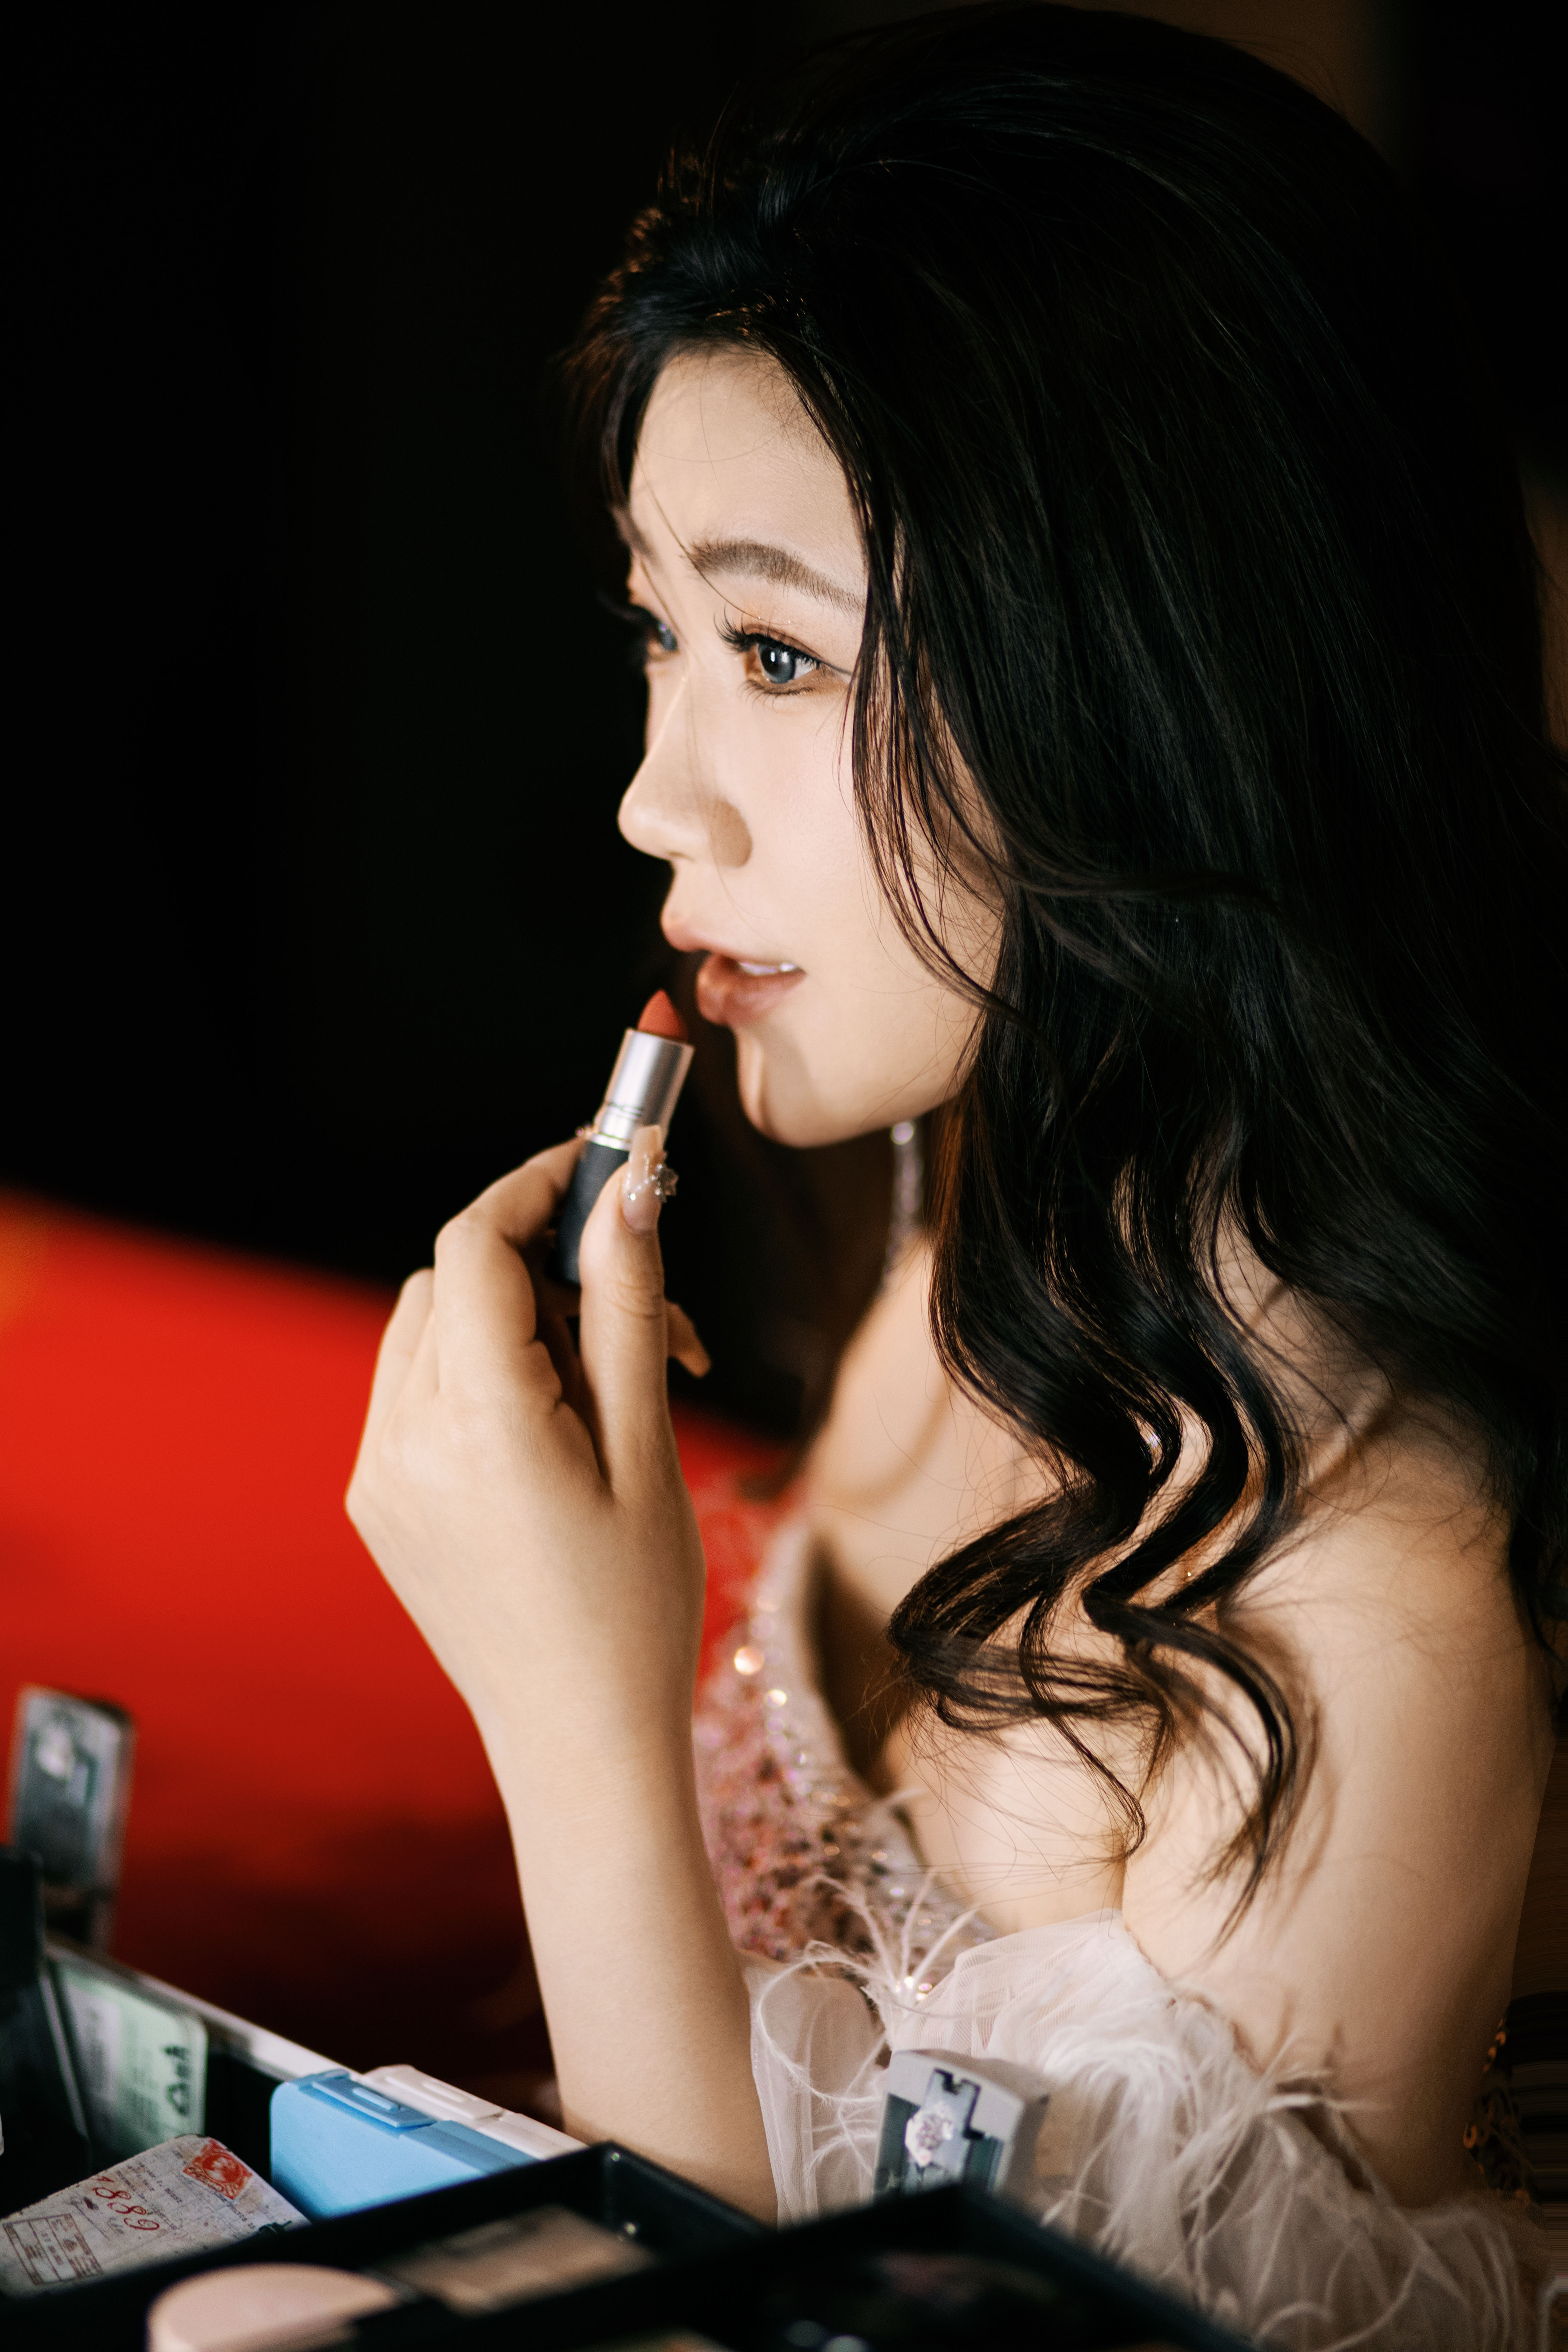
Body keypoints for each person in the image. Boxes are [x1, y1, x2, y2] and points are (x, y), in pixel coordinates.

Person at [346, 8, 1566, 2344]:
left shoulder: (1365, 1637)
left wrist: (576, 1727)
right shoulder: (955, 1206)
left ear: (1152, 685)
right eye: (661, 632)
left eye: (779, 652)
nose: (656, 796)